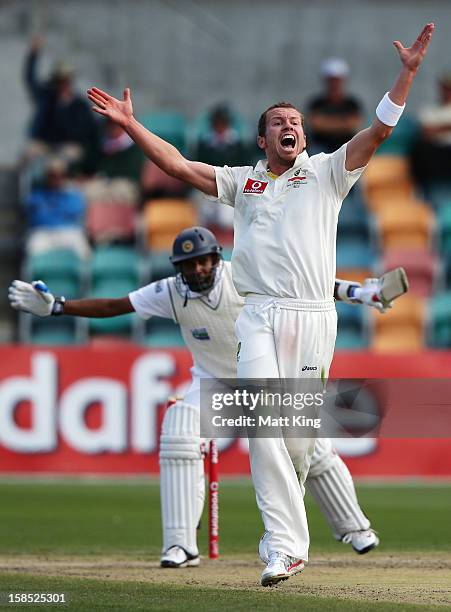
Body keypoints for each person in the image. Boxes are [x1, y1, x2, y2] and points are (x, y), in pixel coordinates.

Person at [86, 22, 435, 585]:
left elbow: (376, 133)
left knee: (294, 443)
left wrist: (407, 74)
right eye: (279, 122)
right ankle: (286, 546)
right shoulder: (239, 181)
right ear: (262, 139)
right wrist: (131, 125)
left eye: (295, 120)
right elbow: (177, 166)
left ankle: (303, 531)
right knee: (261, 426)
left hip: (313, 318)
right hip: (258, 315)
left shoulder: (327, 172)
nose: (290, 126)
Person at [9, 226, 402, 568]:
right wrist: (58, 306)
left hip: (266, 383)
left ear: (217, 259)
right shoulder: (171, 291)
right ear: (178, 268)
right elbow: (117, 305)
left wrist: (359, 292)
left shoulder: (245, 275)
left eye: (203, 262)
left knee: (312, 451)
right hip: (213, 386)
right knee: (179, 427)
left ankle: (354, 529)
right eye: (188, 265)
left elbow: (311, 286)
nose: (197, 270)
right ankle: (180, 544)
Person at [23, 35, 99, 174]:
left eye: (65, 80)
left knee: (65, 160)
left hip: (68, 146)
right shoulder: (47, 98)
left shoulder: (79, 105)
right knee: (30, 153)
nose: (62, 84)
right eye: (59, 80)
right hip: (46, 144)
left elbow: (89, 133)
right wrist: (33, 55)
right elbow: (30, 80)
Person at [306, 57, 364, 154]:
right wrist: (342, 123)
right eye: (331, 80)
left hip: (346, 146)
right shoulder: (316, 103)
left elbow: (353, 124)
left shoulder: (352, 103)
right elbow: (315, 124)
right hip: (321, 147)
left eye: (337, 80)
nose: (334, 83)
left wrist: (326, 123)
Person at [410, 72, 451, 199]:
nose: (447, 92)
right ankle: (422, 189)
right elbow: (426, 133)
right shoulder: (429, 110)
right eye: (445, 88)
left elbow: (430, 130)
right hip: (435, 152)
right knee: (419, 148)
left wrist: (437, 128)